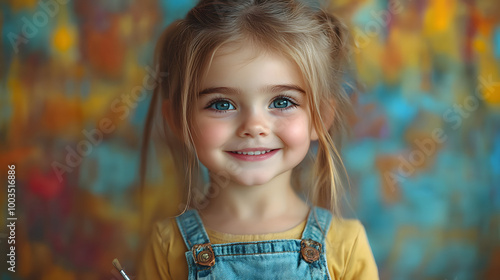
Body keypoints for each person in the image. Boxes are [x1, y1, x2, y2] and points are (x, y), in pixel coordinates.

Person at [138, 0, 378, 279]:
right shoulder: (168, 245)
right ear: (179, 121)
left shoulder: (346, 245)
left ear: (320, 117)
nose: (254, 127)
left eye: (282, 101)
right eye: (222, 104)